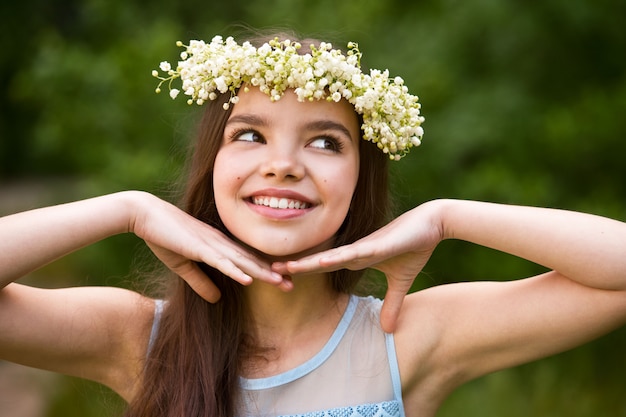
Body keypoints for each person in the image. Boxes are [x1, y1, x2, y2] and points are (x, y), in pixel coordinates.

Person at [1, 31, 626, 417]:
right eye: (249, 134)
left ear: (360, 179)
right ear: (212, 163)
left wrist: (445, 218)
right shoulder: (139, 339)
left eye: (325, 143)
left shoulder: (406, 339)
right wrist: (126, 209)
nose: (282, 165)